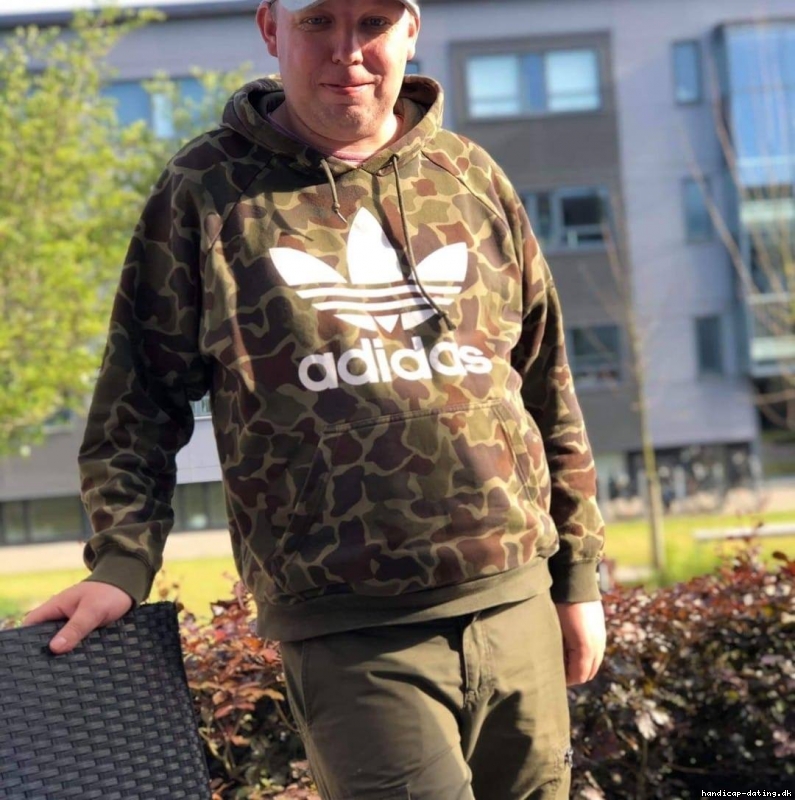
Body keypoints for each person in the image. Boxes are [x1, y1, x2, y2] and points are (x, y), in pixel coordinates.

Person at [25, 0, 607, 797]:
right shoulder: (208, 190)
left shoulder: (470, 176)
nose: (347, 50)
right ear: (271, 28)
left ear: (410, 30)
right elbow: (139, 398)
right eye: (318, 22)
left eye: (372, 23)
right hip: (350, 630)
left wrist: (576, 577)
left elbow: (546, 387)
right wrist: (123, 563)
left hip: (517, 604)